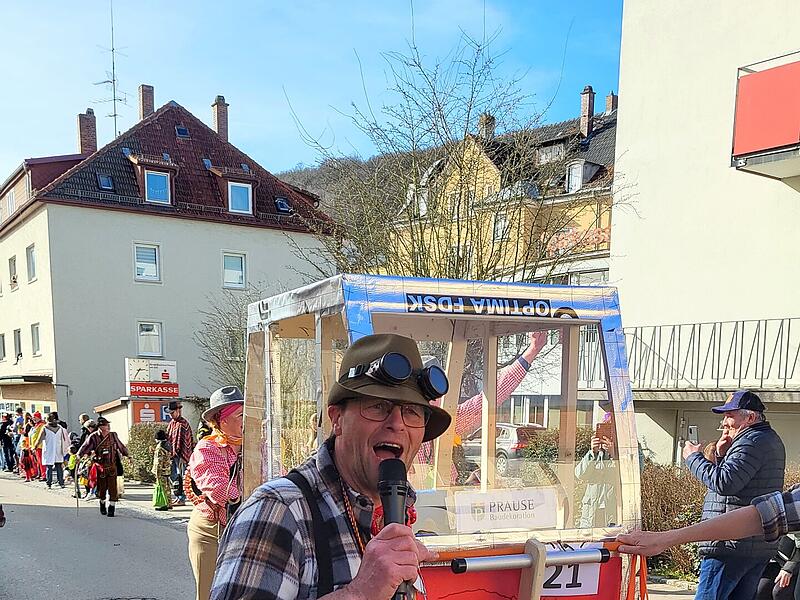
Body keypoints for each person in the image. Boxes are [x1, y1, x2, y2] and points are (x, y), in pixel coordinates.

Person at [211, 333, 448, 600]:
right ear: (337, 420)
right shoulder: (278, 510)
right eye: (378, 406)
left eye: (412, 412)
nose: (397, 423)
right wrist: (359, 594)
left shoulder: (394, 512)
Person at [678, 390, 785, 600]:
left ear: (750, 417)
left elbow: (724, 483)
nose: (725, 422)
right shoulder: (765, 439)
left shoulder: (751, 442)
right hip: (753, 543)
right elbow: (741, 482)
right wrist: (720, 454)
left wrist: (693, 458)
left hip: (729, 544)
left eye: (730, 415)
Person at [186, 387, 244, 600]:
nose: (246, 420)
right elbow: (218, 488)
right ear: (223, 420)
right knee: (210, 593)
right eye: (240, 415)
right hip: (211, 531)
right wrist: (257, 500)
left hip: (243, 525)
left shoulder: (256, 445)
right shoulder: (207, 448)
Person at [575, 405, 618, 528]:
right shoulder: (596, 450)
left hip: (613, 513)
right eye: (605, 426)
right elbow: (579, 474)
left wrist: (614, 454)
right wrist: (592, 452)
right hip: (591, 513)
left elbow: (634, 474)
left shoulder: (628, 446)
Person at [78, 416, 129, 517]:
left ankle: (111, 507)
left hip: (112, 466)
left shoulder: (113, 436)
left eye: (107, 425)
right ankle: (102, 503)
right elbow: (85, 447)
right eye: (105, 425)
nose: (108, 427)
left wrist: (128, 455)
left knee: (113, 488)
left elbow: (120, 446)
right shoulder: (93, 437)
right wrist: (79, 456)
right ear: (100, 427)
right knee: (102, 488)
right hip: (100, 467)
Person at [756, 531, 800, 600]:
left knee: (779, 592)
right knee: (761, 590)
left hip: (795, 562)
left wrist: (788, 568)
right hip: (778, 560)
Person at [167, 400, 194, 507]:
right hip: (173, 455)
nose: (171, 415)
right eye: (169, 413)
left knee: (182, 477)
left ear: (178, 411)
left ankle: (182, 498)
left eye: (172, 412)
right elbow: (170, 438)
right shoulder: (172, 423)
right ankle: (178, 496)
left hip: (182, 456)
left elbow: (187, 442)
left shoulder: (183, 424)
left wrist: (184, 455)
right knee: (174, 477)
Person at [41, 412, 70, 489]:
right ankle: (61, 483)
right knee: (59, 467)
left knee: (49, 467)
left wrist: (35, 446)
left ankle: (49, 483)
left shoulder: (45, 428)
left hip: (49, 449)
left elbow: (40, 438)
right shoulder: (60, 428)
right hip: (58, 449)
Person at [152, 429, 173, 511]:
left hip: (161, 471)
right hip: (167, 470)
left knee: (162, 488)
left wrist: (157, 473)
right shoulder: (167, 445)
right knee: (167, 488)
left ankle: (163, 504)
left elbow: (158, 462)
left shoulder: (159, 448)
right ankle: (169, 503)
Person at [29, 411, 46, 479]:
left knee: (41, 461)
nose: (33, 419)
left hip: (39, 446)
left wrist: (36, 444)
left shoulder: (41, 425)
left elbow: (39, 436)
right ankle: (40, 473)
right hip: (35, 446)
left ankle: (44, 475)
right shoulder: (36, 425)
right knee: (38, 461)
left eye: (35, 417)